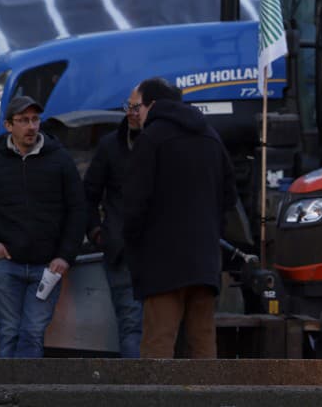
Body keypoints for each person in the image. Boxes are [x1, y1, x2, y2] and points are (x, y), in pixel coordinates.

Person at [123, 77, 236, 358]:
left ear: (152, 105)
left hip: (163, 263)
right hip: (205, 261)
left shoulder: (151, 139)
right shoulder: (211, 136)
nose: (136, 114)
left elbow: (135, 202)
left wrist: (133, 244)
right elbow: (229, 198)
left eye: (138, 107)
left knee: (158, 344)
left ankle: (157, 401)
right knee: (202, 344)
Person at [0, 95, 86, 358]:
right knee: (8, 332)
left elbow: (78, 209)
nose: (31, 126)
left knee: (32, 332)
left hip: (47, 267)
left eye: (35, 119)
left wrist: (65, 256)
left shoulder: (60, 160)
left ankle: (25, 394)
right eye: (23, 120)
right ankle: (6, 395)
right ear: (9, 126)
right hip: (7, 264)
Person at [82, 87, 144, 358]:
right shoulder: (111, 145)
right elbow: (88, 194)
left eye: (136, 107)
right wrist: (98, 232)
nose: (130, 113)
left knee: (147, 327)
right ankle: (137, 393)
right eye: (127, 106)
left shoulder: (159, 144)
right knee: (132, 325)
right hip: (123, 252)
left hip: (154, 251)